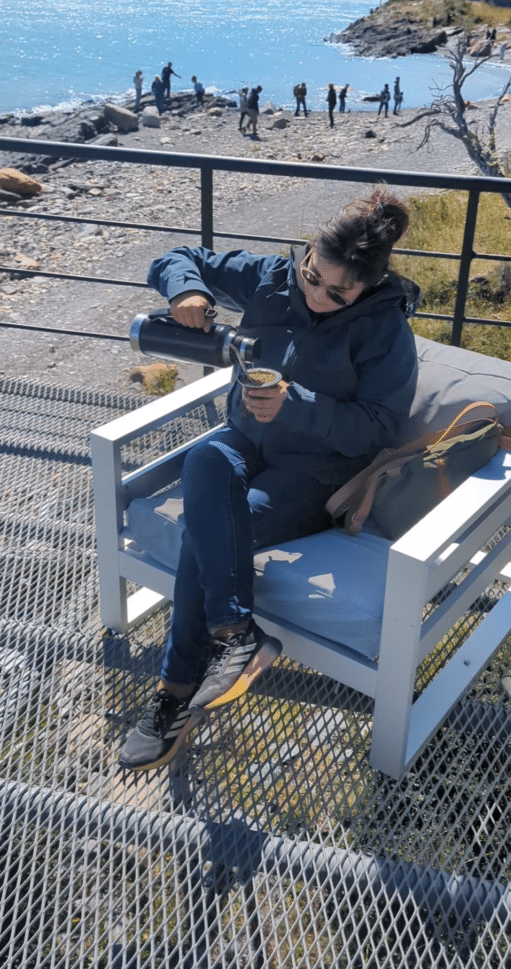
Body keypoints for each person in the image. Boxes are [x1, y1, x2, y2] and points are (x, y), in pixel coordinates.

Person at [118, 187, 421, 771]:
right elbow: (177, 254)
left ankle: (173, 698)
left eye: (340, 292)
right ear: (306, 253)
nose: (319, 296)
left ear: (369, 286)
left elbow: (380, 429)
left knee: (200, 540)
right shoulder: (270, 279)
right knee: (205, 460)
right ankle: (236, 635)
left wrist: (296, 405)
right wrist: (187, 289)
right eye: (313, 277)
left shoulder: (385, 332)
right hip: (244, 444)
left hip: (315, 475)